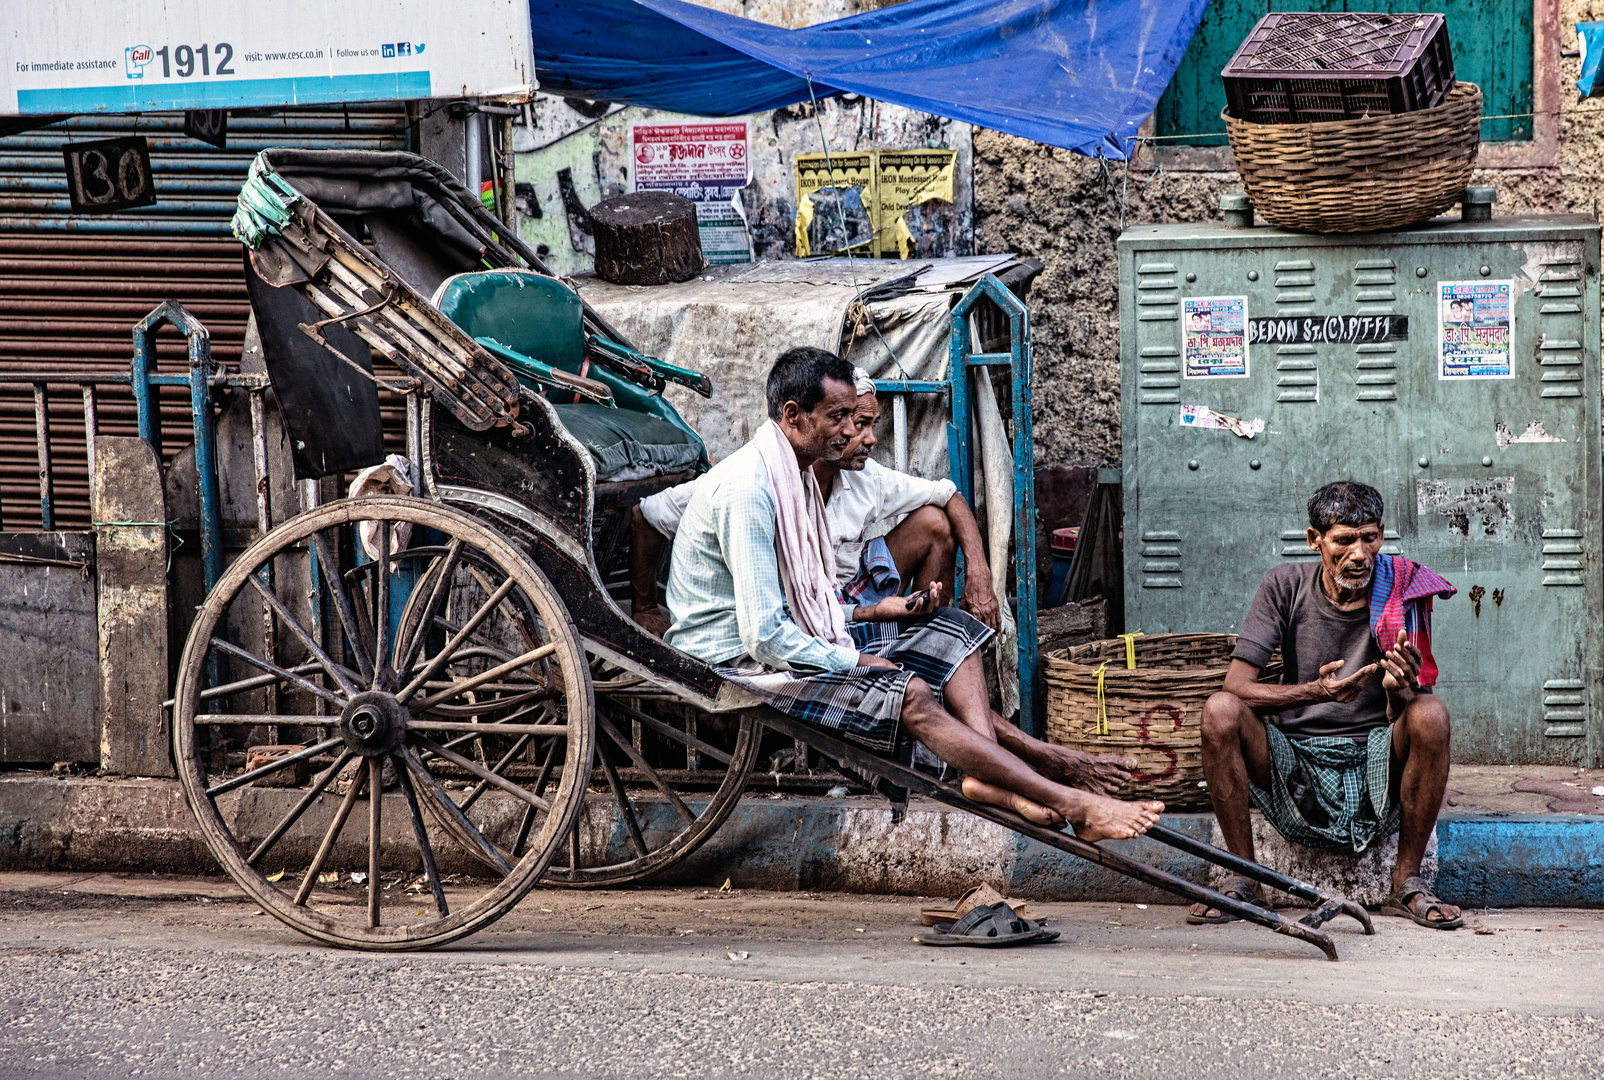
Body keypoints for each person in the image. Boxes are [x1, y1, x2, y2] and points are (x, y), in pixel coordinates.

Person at [662, 345, 1157, 839]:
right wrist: (852, 662)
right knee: (910, 691)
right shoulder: (750, 490)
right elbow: (764, 637)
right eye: (837, 417)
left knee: (952, 630)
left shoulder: (796, 475)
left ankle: (992, 776)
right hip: (734, 661)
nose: (850, 431)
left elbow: (810, 599)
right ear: (793, 416)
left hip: (790, 637)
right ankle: (1066, 799)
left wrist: (872, 612)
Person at [1189, 481, 1462, 930]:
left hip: (1375, 756)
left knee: (1432, 715)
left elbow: (1410, 711)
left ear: (1382, 534)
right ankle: (1245, 879)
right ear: (1315, 540)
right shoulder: (1284, 585)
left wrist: (1399, 690)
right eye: (1343, 540)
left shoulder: (1401, 586)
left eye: (1370, 538)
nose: (1360, 555)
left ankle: (1407, 882)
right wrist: (1314, 692)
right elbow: (1236, 686)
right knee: (1219, 710)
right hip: (1294, 758)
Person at [629, 368, 1000, 638]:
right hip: (799, 608)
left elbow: (948, 493)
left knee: (935, 520)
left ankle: (924, 637)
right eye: (855, 423)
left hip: (848, 592)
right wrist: (644, 608)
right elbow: (647, 515)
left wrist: (980, 575)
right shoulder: (749, 478)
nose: (866, 438)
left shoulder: (867, 477)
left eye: (870, 425)